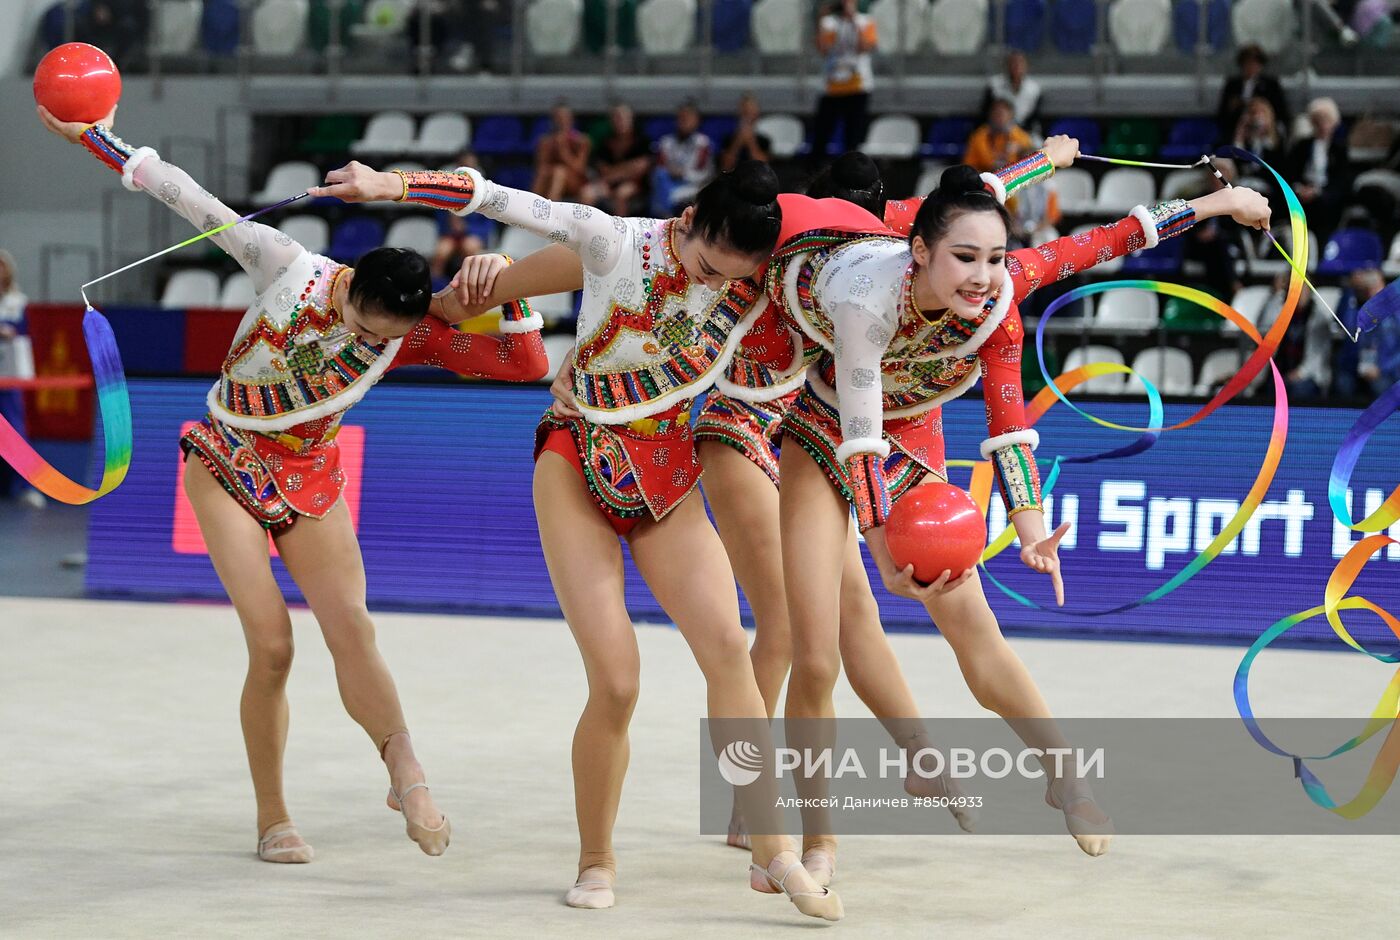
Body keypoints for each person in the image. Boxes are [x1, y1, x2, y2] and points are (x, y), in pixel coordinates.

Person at [314, 157, 844, 921]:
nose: (709, 286)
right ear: (686, 222)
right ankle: (596, 858)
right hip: (578, 462)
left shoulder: (756, 273)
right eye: (703, 267)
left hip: (667, 469)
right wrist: (389, 186)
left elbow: (883, 228)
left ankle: (775, 854)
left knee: (730, 651)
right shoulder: (613, 241)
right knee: (619, 679)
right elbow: (500, 197)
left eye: (729, 280)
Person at [38, 103, 555, 865]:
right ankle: (273, 815)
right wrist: (93, 136)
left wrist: (505, 290)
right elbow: (181, 190)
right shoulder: (285, 264)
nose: (366, 341)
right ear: (350, 290)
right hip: (226, 457)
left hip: (311, 471)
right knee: (274, 646)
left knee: (353, 628)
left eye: (381, 338)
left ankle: (404, 770)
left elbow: (526, 367)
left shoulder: (408, 329)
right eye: (362, 324)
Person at [751, 161, 1272, 874]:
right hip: (823, 425)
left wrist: (1032, 531)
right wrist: (882, 556)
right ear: (921, 252)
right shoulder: (868, 297)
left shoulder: (1002, 302)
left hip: (911, 440)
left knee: (973, 625)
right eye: (964, 258)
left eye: (995, 258)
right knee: (815, 656)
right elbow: (860, 436)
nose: (983, 275)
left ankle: (1064, 773)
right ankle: (819, 842)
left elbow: (1115, 241)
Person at [0, 249, 44, 508]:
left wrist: (8, 331)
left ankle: (25, 487)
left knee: (15, 431)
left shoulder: (18, 302)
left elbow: (25, 333)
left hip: (9, 377)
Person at [811, 0, 877, 161]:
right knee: (821, 136)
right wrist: (821, 19)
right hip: (832, 86)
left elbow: (865, 46)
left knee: (852, 137)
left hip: (857, 85)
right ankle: (814, 175)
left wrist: (852, 19)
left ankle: (852, 175)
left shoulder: (866, 21)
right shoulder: (829, 23)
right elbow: (823, 49)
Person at [1285, 97, 1354, 239]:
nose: (1322, 125)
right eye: (1318, 121)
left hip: (1326, 196)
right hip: (1302, 193)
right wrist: (1300, 189)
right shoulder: (1302, 146)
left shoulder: (1339, 149)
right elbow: (1290, 172)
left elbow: (1342, 180)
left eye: (1326, 121)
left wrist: (1318, 192)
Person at [585, 103, 652, 216]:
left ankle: (620, 232)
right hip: (607, 184)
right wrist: (627, 168)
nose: (620, 121)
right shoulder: (606, 142)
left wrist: (616, 173)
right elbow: (604, 170)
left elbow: (641, 167)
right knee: (586, 193)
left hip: (636, 184)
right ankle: (585, 230)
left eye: (623, 118)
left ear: (631, 119)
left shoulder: (642, 141)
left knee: (621, 193)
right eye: (616, 118)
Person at [1216, 44, 1291, 143]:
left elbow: (1281, 111)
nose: (1251, 67)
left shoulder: (1270, 85)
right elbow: (1222, 113)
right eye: (1247, 63)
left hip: (1264, 129)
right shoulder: (1232, 85)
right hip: (1236, 128)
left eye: (1255, 63)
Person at [652, 101, 715, 215]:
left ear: (696, 120)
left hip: (692, 185)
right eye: (681, 118)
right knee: (660, 176)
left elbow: (705, 173)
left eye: (688, 118)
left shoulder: (702, 143)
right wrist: (670, 172)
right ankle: (665, 217)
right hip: (668, 184)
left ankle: (666, 219)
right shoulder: (666, 142)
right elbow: (660, 168)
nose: (684, 121)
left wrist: (683, 174)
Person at [534, 102, 592, 203]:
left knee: (559, 172)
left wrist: (563, 151)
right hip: (550, 178)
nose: (561, 121)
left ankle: (552, 209)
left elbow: (580, 169)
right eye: (558, 117)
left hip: (575, 182)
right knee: (545, 173)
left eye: (564, 117)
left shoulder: (581, 141)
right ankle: (533, 206)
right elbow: (541, 166)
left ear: (571, 119)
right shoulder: (546, 141)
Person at [963, 98, 1033, 174]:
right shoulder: (978, 137)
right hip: (985, 179)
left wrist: (1021, 151)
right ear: (990, 115)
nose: (999, 118)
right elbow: (969, 166)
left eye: (1002, 114)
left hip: (1015, 178)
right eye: (996, 114)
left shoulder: (1021, 137)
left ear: (1011, 116)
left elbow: (1031, 164)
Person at [982, 51, 1043, 139]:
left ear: (1026, 66)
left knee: (1039, 147)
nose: (1016, 67)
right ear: (1006, 66)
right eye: (1013, 63)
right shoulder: (994, 86)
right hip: (996, 131)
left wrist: (1018, 133)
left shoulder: (1034, 89)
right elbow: (987, 112)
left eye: (1020, 63)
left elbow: (1034, 117)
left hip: (1025, 131)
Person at [719, 93, 773, 172]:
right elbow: (726, 167)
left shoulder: (764, 140)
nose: (748, 115)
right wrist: (738, 142)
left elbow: (763, 168)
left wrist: (751, 142)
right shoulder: (728, 139)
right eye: (745, 111)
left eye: (751, 111)